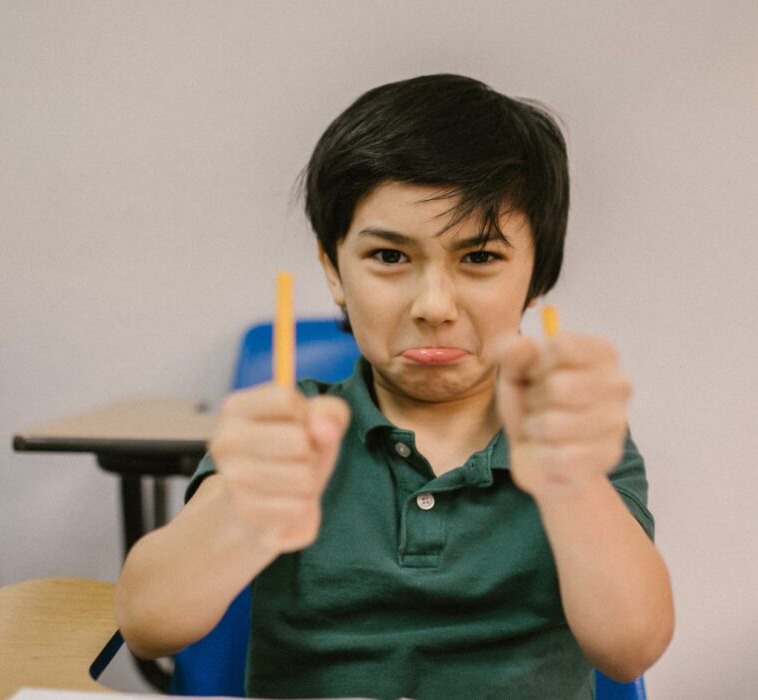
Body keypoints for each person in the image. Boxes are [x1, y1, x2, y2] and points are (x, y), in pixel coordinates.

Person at [115, 73, 674, 699]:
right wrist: (245, 510)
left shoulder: (568, 435)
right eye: (389, 257)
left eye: (481, 258)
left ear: (536, 277)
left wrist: (572, 489)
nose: (434, 305)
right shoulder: (292, 426)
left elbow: (629, 651)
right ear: (334, 271)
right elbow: (148, 626)